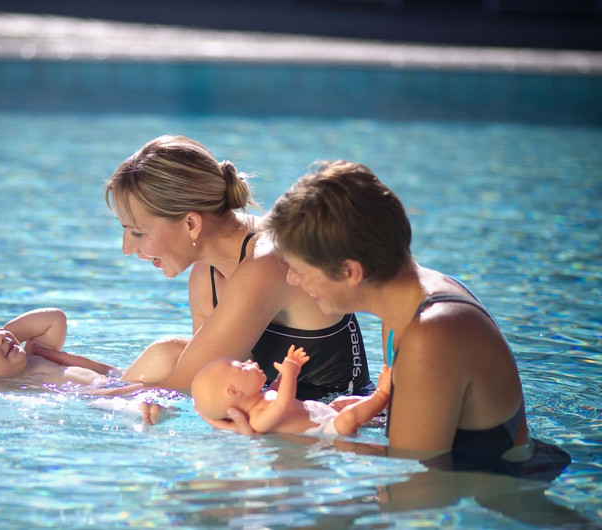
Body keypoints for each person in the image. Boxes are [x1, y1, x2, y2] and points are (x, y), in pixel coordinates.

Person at [243, 159, 570, 478]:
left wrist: (284, 438)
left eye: (300, 271)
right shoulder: (409, 303)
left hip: (500, 499)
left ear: (350, 272)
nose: (292, 282)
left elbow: (414, 488)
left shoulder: (431, 335)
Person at [95, 135, 373, 400]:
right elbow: (205, 379)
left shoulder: (266, 263)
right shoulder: (206, 274)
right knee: (164, 355)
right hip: (267, 412)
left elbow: (179, 388)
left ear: (191, 224)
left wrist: (64, 397)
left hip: (332, 422)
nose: (126, 248)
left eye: (137, 232)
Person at [0, 307, 141, 395]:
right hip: (97, 400)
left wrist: (6, 334)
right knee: (135, 410)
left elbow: (55, 319)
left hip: (117, 382)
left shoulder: (34, 354)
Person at [192, 345, 390, 437]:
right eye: (243, 368)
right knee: (348, 417)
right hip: (328, 431)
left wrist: (283, 374)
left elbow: (277, 389)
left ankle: (384, 407)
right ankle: (381, 395)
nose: (250, 362)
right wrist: (290, 373)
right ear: (233, 392)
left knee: (339, 403)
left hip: (320, 412)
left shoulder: (262, 396)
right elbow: (282, 403)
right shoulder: (258, 420)